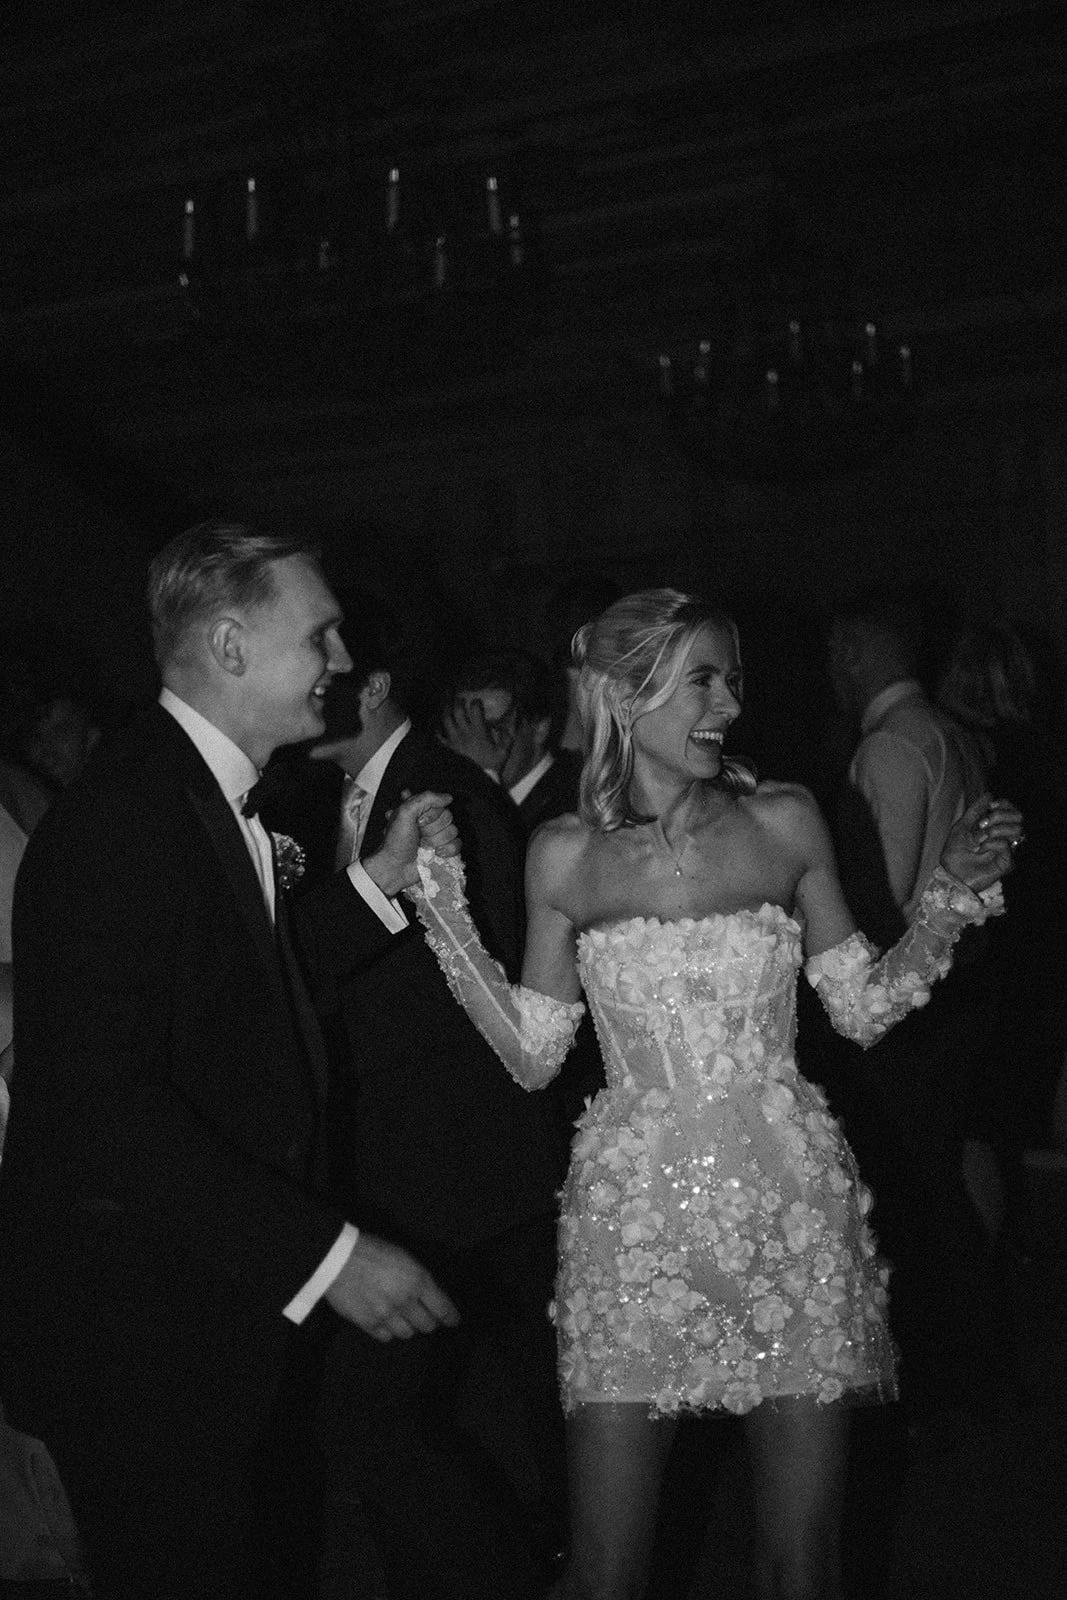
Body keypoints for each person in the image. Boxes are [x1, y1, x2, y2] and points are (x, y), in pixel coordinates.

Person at [406, 588, 1021, 1600]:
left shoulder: (783, 819)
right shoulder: (563, 851)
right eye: (700, 677)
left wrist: (946, 895)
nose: (726, 703)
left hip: (789, 1213)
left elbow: (860, 1008)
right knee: (605, 1572)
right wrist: (444, 914)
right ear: (619, 693)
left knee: (800, 1569)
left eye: (730, 678)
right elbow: (532, 1054)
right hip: (634, 1228)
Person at [0, 521, 461, 1600]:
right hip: (134, 1330)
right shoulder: (125, 821)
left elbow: (230, 980)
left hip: (189, 1305)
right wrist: (329, 1254)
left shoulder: (185, 795)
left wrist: (374, 886)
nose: (342, 664)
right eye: (322, 635)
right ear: (230, 646)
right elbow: (99, 1104)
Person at [268, 604, 567, 1598]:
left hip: (470, 1162)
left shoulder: (443, 793)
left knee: (466, 1405)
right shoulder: (321, 799)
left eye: (334, 664)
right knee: (425, 1415)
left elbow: (490, 979)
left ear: (380, 682)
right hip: (400, 1164)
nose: (317, 686)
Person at [442, 648, 584, 836]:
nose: (473, 743)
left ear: (539, 728)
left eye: (492, 728)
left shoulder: (573, 801)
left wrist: (482, 777)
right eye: (464, 726)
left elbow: (499, 857)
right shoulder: (446, 792)